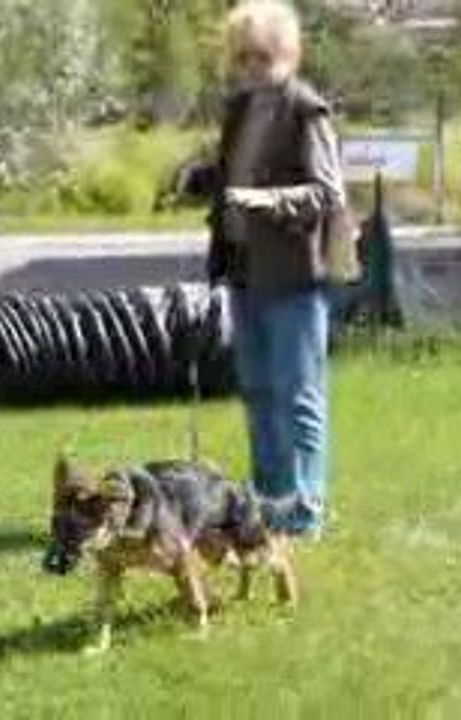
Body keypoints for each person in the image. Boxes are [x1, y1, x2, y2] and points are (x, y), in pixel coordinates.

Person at [206, 0, 354, 540]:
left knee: (299, 397)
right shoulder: (239, 108)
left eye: (262, 56)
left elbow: (325, 192)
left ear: (288, 53)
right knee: (259, 393)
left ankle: (305, 512)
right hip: (244, 272)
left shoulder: (306, 111)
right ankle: (269, 506)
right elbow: (231, 174)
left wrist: (266, 201)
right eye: (243, 56)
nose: (252, 66)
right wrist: (201, 178)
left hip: (293, 277)